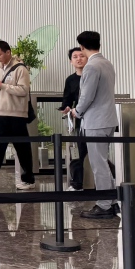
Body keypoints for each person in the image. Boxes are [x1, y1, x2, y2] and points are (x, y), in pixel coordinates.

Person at [71, 31, 119, 218]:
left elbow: (87, 96)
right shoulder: (107, 63)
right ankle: (112, 201)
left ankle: (104, 205)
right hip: (108, 119)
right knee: (103, 162)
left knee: (98, 164)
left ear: (82, 46)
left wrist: (77, 112)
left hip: (96, 122)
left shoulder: (91, 67)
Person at [0, 41, 35, 191]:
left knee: (22, 148)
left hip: (17, 114)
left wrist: (2, 85)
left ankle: (29, 180)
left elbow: (23, 90)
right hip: (1, 113)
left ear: (8, 52)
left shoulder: (21, 69)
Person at [60, 47, 87, 191]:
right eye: (75, 57)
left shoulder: (92, 76)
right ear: (71, 61)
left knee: (96, 152)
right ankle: (77, 184)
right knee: (78, 152)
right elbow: (67, 100)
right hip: (79, 120)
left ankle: (109, 181)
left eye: (82, 56)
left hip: (94, 119)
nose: (79, 59)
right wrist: (66, 108)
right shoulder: (70, 80)